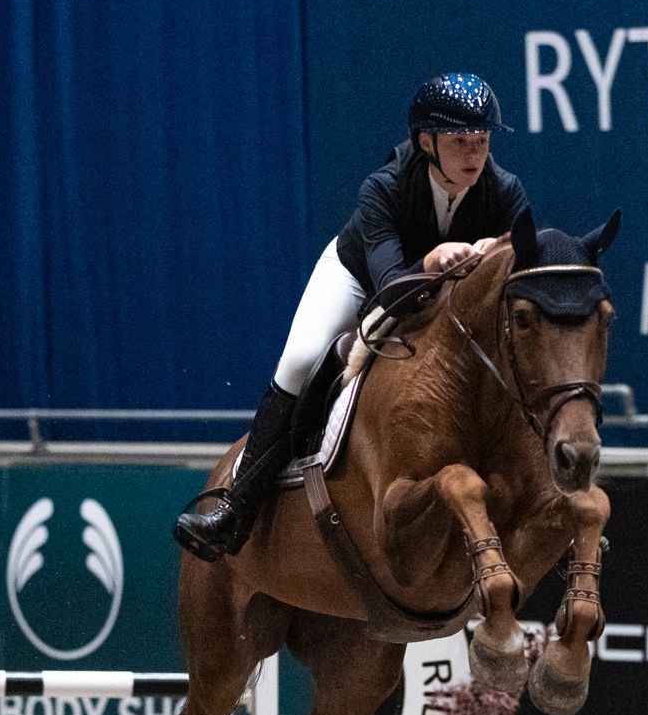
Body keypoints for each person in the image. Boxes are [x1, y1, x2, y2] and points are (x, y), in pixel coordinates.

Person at [174, 72, 532, 561]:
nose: (474, 154)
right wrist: (429, 262)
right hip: (361, 277)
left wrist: (504, 252)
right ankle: (235, 508)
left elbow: (525, 270)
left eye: (482, 141)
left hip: (446, 302)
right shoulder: (382, 188)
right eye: (459, 141)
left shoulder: (505, 191)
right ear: (425, 141)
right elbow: (387, 287)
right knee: (301, 360)